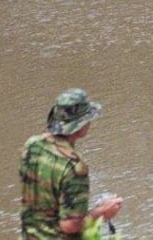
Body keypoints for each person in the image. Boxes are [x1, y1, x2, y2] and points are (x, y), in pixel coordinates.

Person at [19, 88, 123, 239]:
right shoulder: (75, 167)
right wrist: (102, 212)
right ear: (80, 126)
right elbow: (70, 226)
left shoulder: (32, 145)